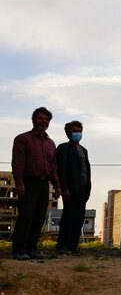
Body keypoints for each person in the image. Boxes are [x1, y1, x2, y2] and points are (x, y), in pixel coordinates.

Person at [11, 107, 61, 260]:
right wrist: (19, 183)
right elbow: (18, 163)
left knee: (39, 217)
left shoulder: (50, 143)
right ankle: (19, 249)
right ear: (33, 120)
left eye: (46, 119)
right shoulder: (23, 139)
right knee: (26, 216)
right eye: (40, 118)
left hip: (44, 184)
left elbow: (53, 167)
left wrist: (57, 185)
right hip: (27, 183)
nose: (43, 122)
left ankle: (32, 248)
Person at [56, 121, 92, 255]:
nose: (77, 133)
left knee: (79, 218)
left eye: (79, 131)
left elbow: (86, 170)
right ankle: (62, 246)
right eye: (74, 131)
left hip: (83, 189)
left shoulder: (84, 150)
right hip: (71, 189)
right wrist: (64, 188)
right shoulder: (64, 148)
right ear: (67, 133)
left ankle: (73, 246)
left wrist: (88, 189)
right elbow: (61, 169)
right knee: (68, 217)